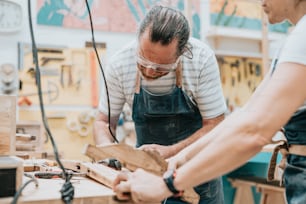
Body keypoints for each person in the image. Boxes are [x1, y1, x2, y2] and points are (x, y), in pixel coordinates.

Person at [113, 0, 306, 203]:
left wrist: (166, 185)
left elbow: (254, 132)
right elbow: (245, 116)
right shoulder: (295, 38)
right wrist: (179, 159)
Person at [94, 5, 227, 204]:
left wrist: (170, 152)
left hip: (197, 175)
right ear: (138, 39)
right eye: (143, 61)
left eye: (160, 67)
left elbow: (216, 126)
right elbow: (102, 123)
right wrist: (109, 156)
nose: (148, 71)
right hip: (145, 177)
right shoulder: (120, 64)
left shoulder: (201, 60)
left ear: (183, 53)